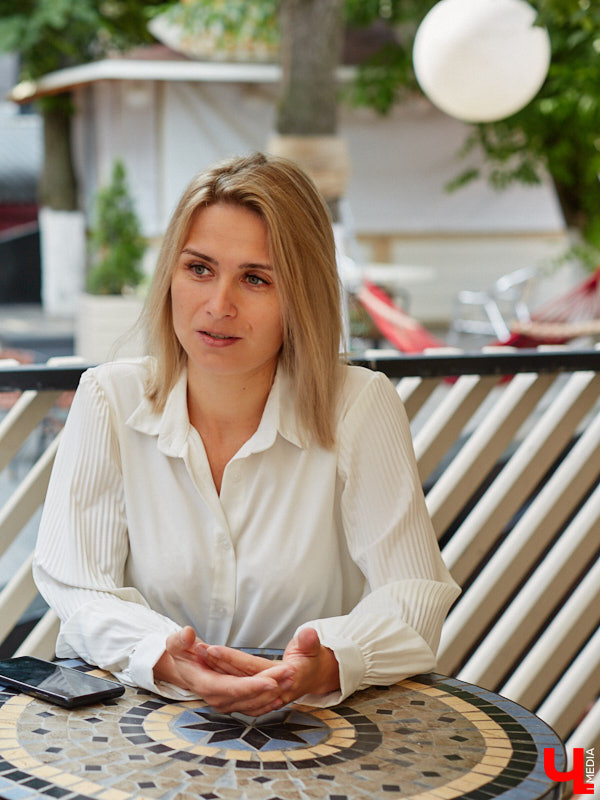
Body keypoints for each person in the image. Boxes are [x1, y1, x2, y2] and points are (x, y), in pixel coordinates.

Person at [33, 152, 460, 716]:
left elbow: (413, 594)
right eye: (199, 269)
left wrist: (325, 663)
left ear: (300, 297)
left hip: (312, 739)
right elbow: (80, 587)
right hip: (142, 732)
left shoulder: (358, 405)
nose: (218, 306)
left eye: (256, 279)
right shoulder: (109, 399)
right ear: (170, 276)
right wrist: (165, 656)